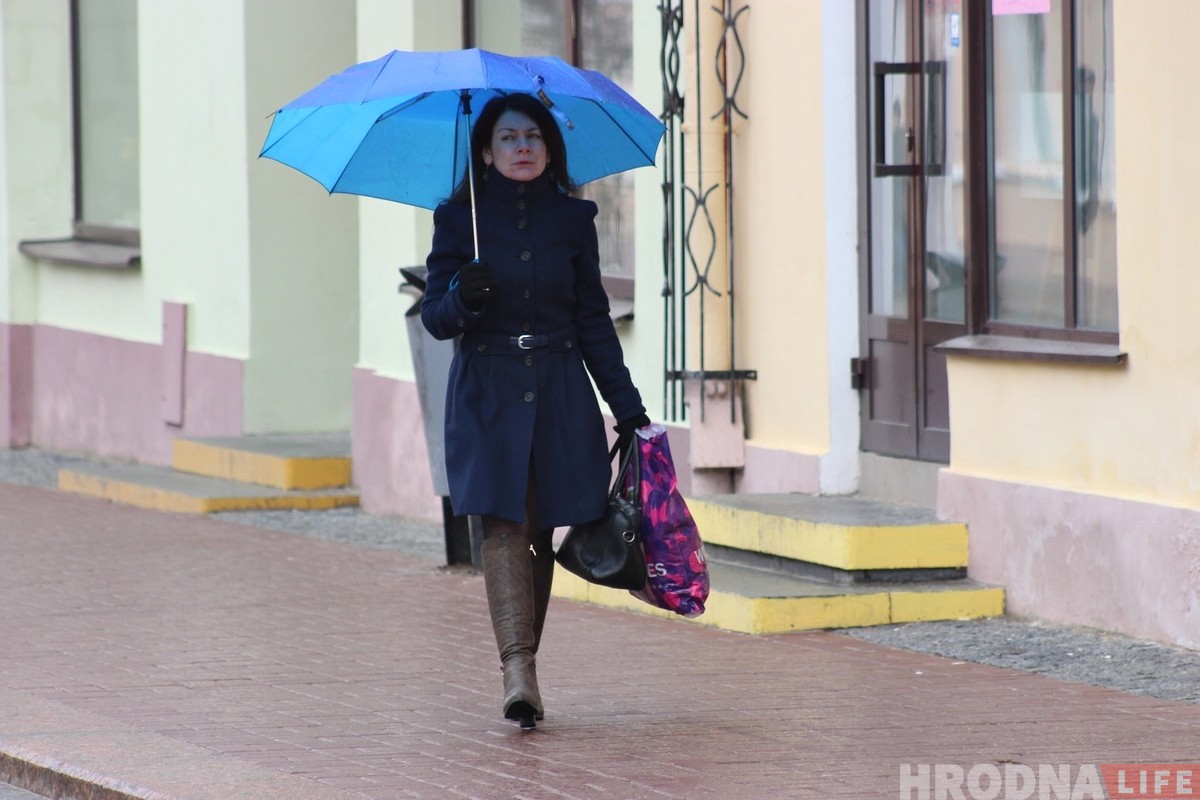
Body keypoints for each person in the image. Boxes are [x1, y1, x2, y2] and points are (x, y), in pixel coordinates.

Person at [421, 92, 650, 730]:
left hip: (559, 388)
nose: (522, 147)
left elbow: (594, 319)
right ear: (486, 153)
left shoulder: (573, 220)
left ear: (549, 149)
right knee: (503, 523)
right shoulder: (457, 219)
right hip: (486, 392)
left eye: (533, 137)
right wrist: (462, 298)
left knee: (542, 524)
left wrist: (626, 407)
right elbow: (437, 320)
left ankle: (525, 667)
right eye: (507, 138)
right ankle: (517, 669)